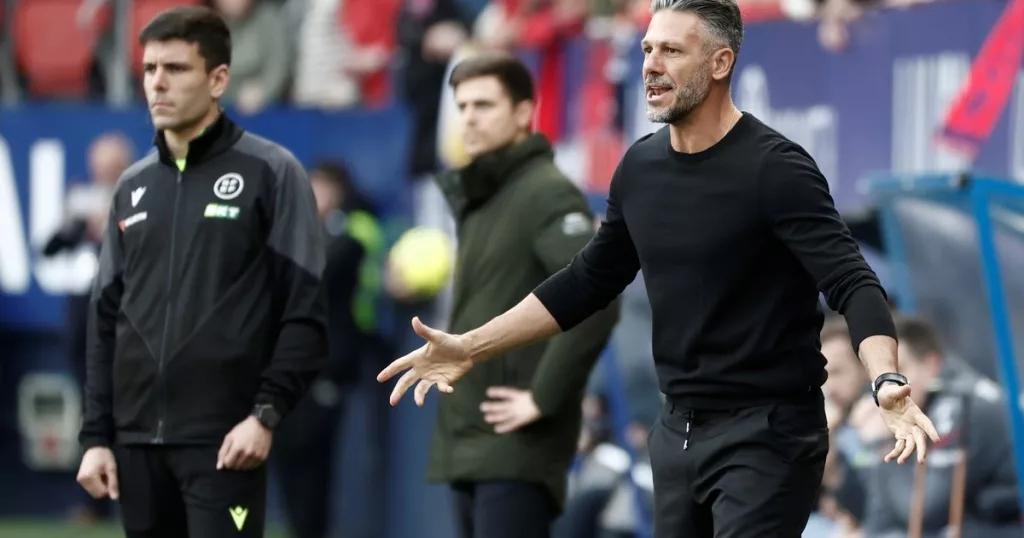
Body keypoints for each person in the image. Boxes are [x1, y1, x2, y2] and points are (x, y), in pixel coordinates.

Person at [377, 1, 940, 537]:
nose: (651, 64)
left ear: (720, 63)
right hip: (676, 436)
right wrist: (470, 346)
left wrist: (885, 379)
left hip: (768, 435)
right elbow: (586, 281)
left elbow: (852, 282)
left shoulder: (777, 169)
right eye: (648, 48)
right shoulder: (640, 168)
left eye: (672, 50)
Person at [74, 6, 327, 538]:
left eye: (176, 68)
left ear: (218, 80)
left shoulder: (273, 173)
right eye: (149, 69)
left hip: (226, 441)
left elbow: (305, 314)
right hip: (136, 445)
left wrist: (265, 415)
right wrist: (96, 435)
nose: (157, 83)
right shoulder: (131, 187)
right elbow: (104, 321)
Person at [417, 52, 620, 538]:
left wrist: (542, 397)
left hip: (516, 443)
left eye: (484, 105)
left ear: (524, 111)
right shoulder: (483, 194)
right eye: (462, 106)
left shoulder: (547, 192)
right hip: (471, 440)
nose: (469, 118)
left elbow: (599, 296)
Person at [272, 160, 385, 538]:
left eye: (320, 188)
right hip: (284, 372)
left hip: (324, 371)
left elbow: (310, 279)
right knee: (286, 461)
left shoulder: (349, 239)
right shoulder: (293, 236)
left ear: (337, 193)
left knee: (312, 466)